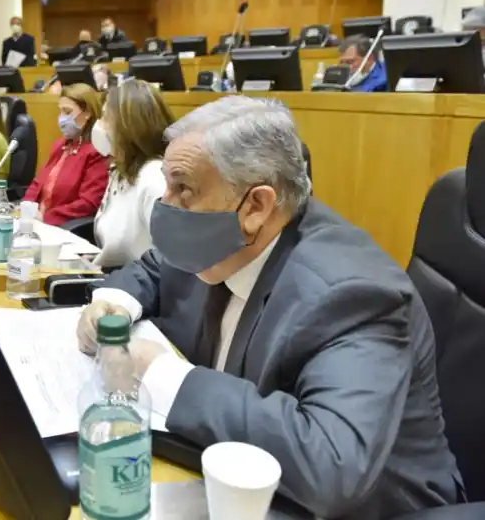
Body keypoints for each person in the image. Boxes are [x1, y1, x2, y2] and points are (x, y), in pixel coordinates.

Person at [76, 95, 461, 519]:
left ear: (256, 206)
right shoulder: (214, 235)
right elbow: (153, 267)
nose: (165, 205)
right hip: (225, 482)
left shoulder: (353, 294)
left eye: (182, 187)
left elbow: (331, 466)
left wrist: (163, 375)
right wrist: (113, 304)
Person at [92, 80, 174, 269]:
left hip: (138, 289)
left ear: (128, 127)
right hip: (112, 278)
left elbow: (168, 264)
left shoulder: (155, 179)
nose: (98, 126)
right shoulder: (120, 171)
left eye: (105, 117)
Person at [23, 83, 108, 226]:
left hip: (62, 227)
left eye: (67, 112)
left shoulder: (96, 151)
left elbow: (88, 203)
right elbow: (38, 183)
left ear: (87, 113)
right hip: (36, 222)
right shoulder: (60, 145)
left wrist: (46, 217)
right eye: (60, 112)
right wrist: (27, 207)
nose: (62, 119)